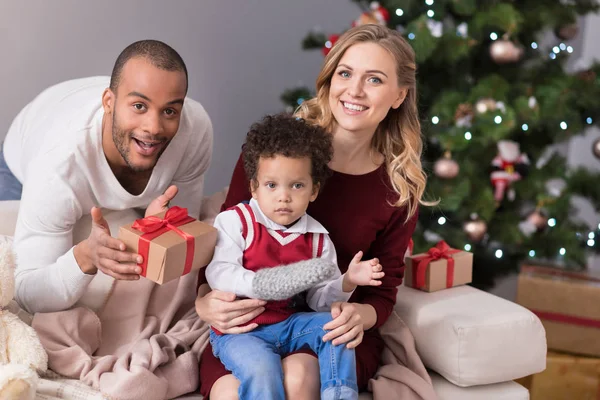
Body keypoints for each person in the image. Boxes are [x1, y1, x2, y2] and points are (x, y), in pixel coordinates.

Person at [196, 24, 430, 399]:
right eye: (345, 73)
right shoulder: (274, 155)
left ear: (399, 95)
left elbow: (383, 294)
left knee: (299, 378)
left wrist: (360, 315)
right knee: (233, 390)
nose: (354, 91)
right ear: (330, 79)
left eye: (374, 80)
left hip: (330, 329)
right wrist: (205, 303)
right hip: (252, 325)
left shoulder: (398, 191)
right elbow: (224, 243)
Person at [2, 40, 213, 314]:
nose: (154, 127)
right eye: (139, 106)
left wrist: (157, 227)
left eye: (169, 110)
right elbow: (27, 293)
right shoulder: (57, 166)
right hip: (20, 162)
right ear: (108, 102)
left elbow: (183, 236)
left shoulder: (194, 130)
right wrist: (85, 257)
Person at [205, 114, 385, 400]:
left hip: (289, 325)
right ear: (254, 187)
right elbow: (219, 273)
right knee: (262, 369)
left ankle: (340, 395)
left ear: (313, 190)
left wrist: (348, 281)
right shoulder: (236, 221)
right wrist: (261, 285)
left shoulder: (317, 239)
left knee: (335, 329)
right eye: (272, 185)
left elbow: (319, 302)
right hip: (241, 331)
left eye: (297, 186)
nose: (284, 197)